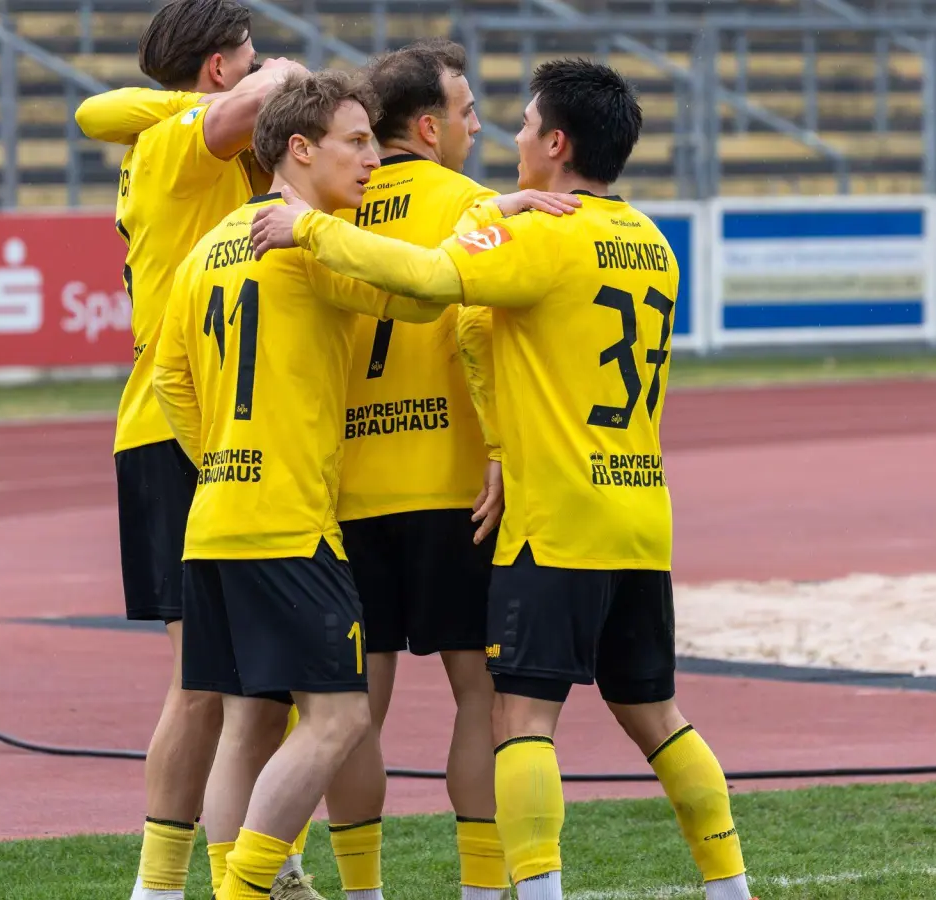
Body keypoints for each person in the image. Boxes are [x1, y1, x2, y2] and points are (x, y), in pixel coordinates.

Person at [248, 59, 756, 900]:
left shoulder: (534, 235)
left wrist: (306, 228)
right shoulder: (654, 245)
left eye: (521, 124)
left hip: (547, 515)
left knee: (517, 720)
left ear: (556, 144)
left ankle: (517, 890)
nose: (506, 136)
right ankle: (729, 883)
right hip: (638, 512)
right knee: (658, 716)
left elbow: (430, 282)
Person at [150, 70, 451, 900]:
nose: (370, 161)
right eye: (356, 143)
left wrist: (223, 455)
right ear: (299, 148)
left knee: (247, 723)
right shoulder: (306, 248)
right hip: (289, 524)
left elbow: (171, 379)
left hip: (214, 520)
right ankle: (245, 889)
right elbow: (425, 295)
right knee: (341, 718)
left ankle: (223, 881)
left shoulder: (206, 249)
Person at [318, 39, 578, 900]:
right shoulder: (477, 204)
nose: (479, 128)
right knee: (482, 695)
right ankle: (477, 890)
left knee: (352, 707)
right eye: (468, 114)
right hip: (457, 488)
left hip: (349, 489)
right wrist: (505, 449)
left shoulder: (332, 200)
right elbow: (479, 330)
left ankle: (361, 892)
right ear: (427, 128)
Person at [72, 3, 307, 898]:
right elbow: (273, 92)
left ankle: (250, 866)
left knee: (255, 675)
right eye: (246, 57)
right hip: (177, 426)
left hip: (208, 425)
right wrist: (277, 73)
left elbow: (100, 110)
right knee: (205, 677)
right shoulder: (182, 144)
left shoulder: (169, 132)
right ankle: (162, 885)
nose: (263, 66)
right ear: (219, 70)